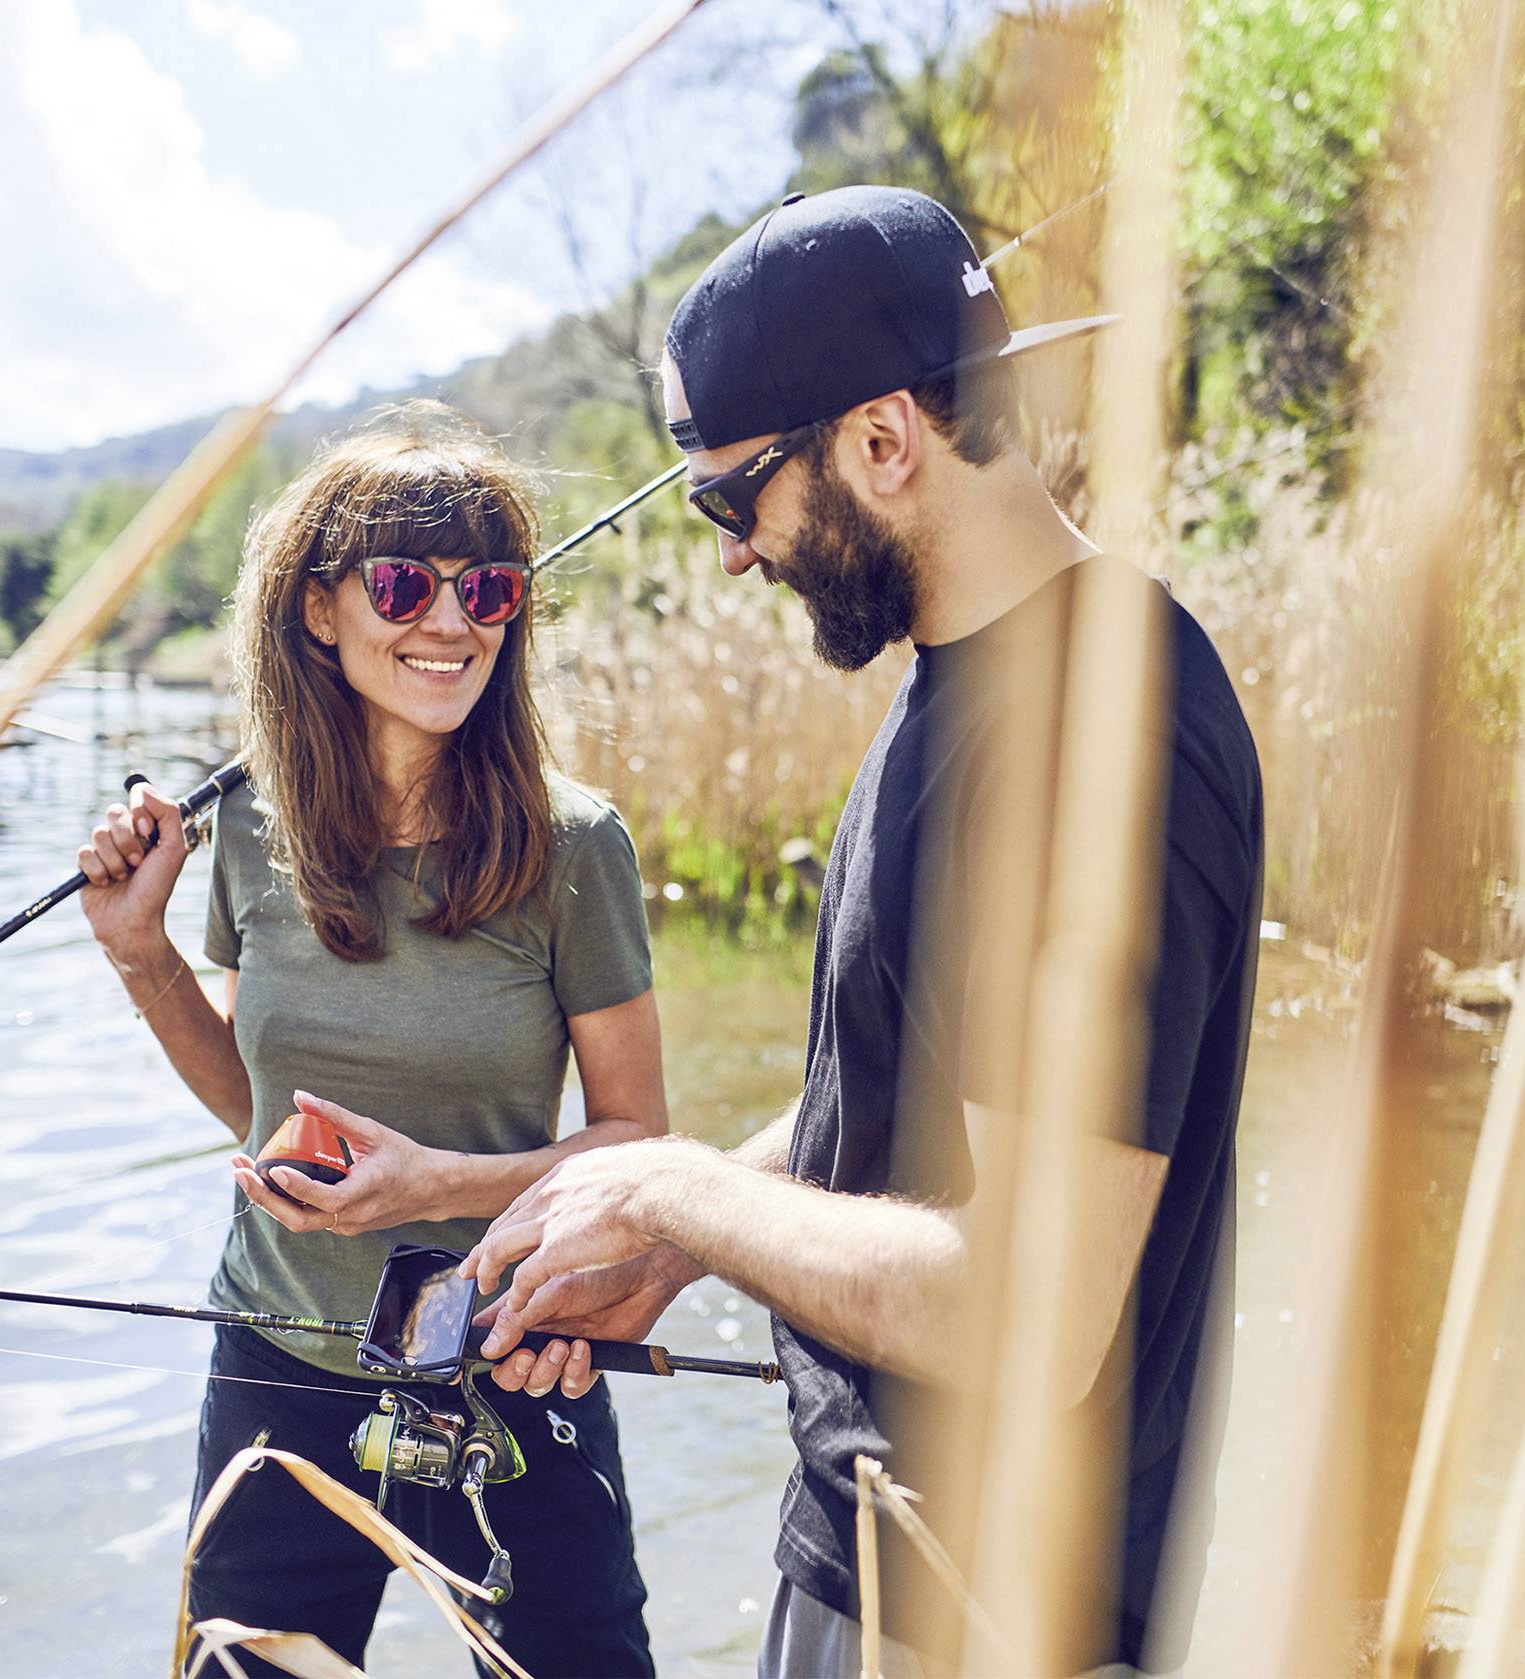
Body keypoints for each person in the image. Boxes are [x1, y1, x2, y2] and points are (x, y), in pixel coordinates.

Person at [461, 186, 1264, 1676]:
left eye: (732, 497)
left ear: (884, 440)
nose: (731, 555)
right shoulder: (955, 687)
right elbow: (885, 1112)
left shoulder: (1101, 738)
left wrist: (676, 1193)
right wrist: (679, 1241)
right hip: (876, 1548)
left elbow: (1027, 1308)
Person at [76, 403, 663, 1677]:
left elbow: (637, 1142)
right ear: (319, 608)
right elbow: (254, 1103)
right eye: (404, 582)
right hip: (278, 1369)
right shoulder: (245, 827)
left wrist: (440, 1186)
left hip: (515, 1366)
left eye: (487, 587)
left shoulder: (577, 847)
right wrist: (141, 951)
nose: (451, 622)